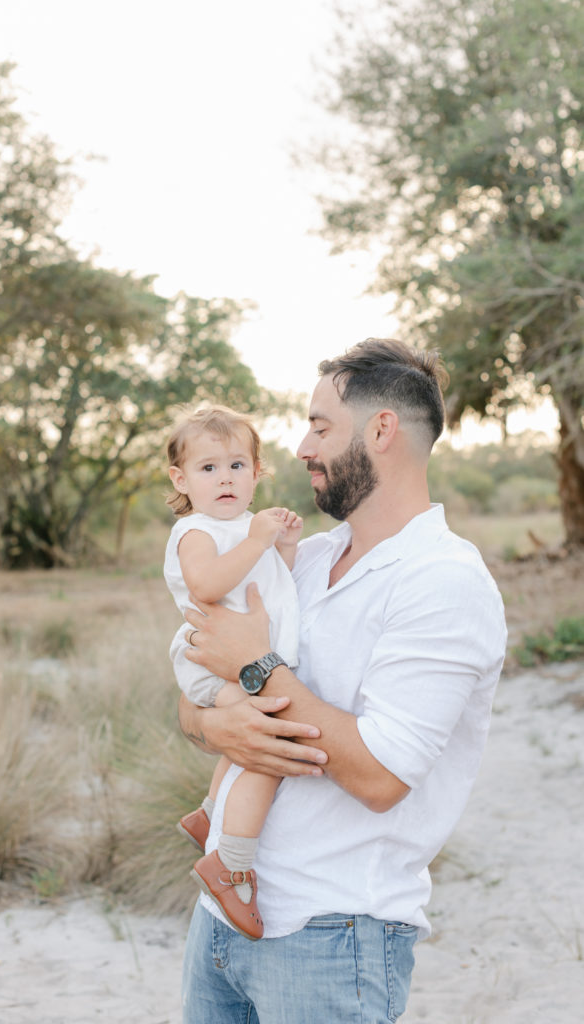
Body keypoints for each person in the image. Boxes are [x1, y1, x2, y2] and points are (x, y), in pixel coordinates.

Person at [175, 338, 507, 1024]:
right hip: (219, 919)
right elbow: (194, 700)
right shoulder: (300, 556)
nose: (300, 446)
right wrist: (214, 724)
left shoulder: (445, 582)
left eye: (320, 425)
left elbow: (382, 776)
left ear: (381, 430)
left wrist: (259, 668)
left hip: (332, 938)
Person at [163, 404, 303, 940]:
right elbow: (206, 586)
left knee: (253, 739)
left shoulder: (250, 529)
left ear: (257, 472)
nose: (225, 478)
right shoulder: (194, 531)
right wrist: (257, 542)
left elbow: (270, 591)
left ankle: (208, 814)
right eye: (208, 468)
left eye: (237, 466)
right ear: (182, 479)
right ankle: (231, 863)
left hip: (246, 659)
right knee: (267, 746)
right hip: (208, 659)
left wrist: (281, 548)